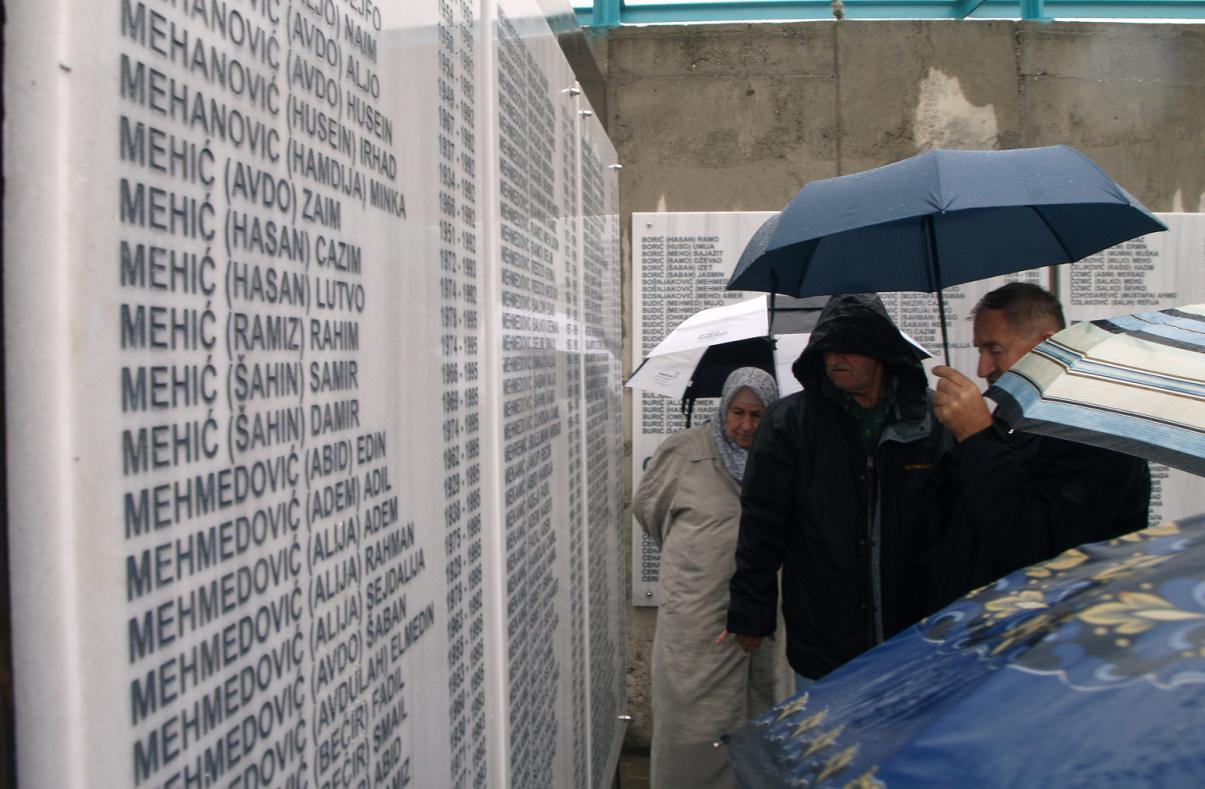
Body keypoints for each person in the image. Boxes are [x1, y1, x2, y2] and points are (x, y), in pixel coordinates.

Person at [725, 294, 954, 688]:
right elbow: (762, 524)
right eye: (828, 348)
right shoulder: (790, 423)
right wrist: (751, 612)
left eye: (850, 347)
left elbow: (956, 525)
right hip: (824, 635)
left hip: (914, 633)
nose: (836, 359)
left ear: (881, 351)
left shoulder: (932, 420)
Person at [932, 282, 1151, 599]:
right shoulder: (1016, 420)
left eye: (995, 350)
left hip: (1058, 635)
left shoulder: (1099, 433)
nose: (983, 369)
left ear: (1047, 346)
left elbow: (1039, 549)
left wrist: (976, 436)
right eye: (980, 350)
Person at [634, 367, 793, 789]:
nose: (744, 425)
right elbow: (651, 512)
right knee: (694, 727)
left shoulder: (783, 453)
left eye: (757, 415)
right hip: (698, 615)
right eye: (736, 413)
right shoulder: (684, 451)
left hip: (764, 614)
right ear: (722, 409)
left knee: (764, 710)